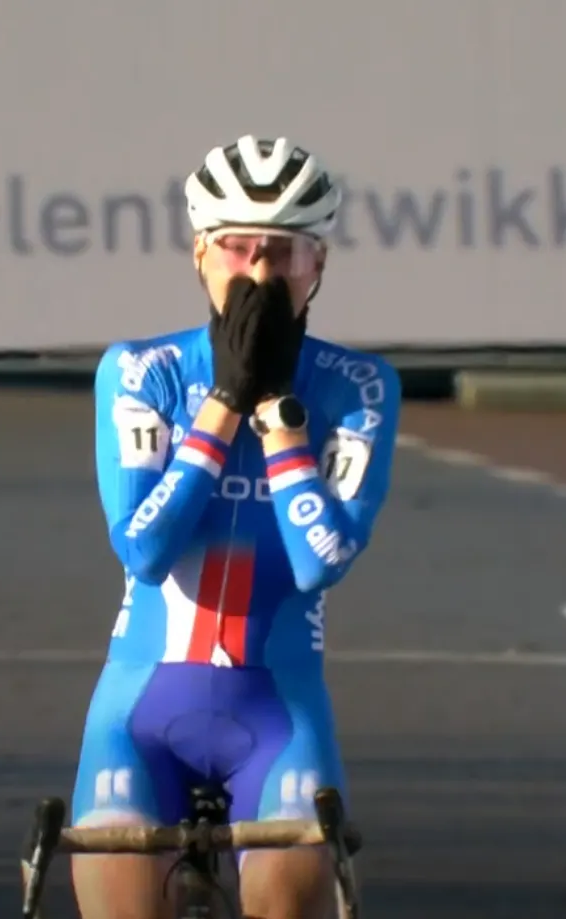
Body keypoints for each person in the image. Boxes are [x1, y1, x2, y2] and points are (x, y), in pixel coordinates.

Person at [71, 135, 401, 919]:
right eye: (237, 247)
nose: (258, 271)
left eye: (282, 251)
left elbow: (321, 559)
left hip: (278, 712)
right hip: (139, 712)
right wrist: (221, 402)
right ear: (199, 253)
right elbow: (144, 549)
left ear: (317, 264)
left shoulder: (357, 386)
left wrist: (278, 414)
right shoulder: (143, 371)